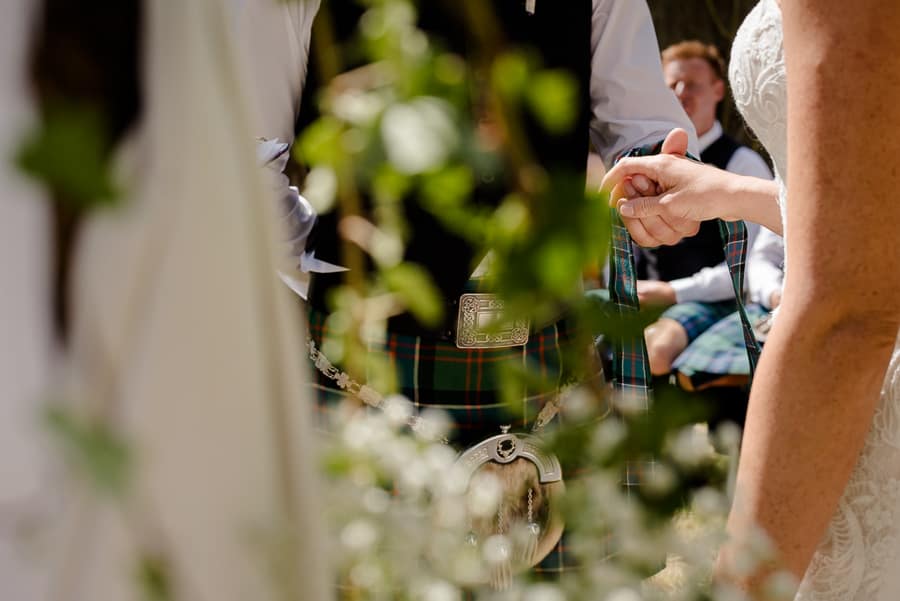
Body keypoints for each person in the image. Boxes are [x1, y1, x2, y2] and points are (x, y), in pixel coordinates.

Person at [250, 0, 697, 581]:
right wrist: (335, 263)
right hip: (366, 357)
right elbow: (249, 163)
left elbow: (641, 128)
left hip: (543, 358)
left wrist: (651, 177)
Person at [601, 0, 900, 597]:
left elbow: (850, 310)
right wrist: (728, 194)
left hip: (852, 373)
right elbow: (868, 223)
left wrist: (740, 587)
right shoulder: (730, 167)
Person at [636, 40, 772, 378]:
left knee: (653, 349)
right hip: (641, 296)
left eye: (693, 84)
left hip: (711, 301)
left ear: (717, 90)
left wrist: (671, 292)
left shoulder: (743, 164)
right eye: (672, 85)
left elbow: (747, 269)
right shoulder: (646, 156)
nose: (682, 93)